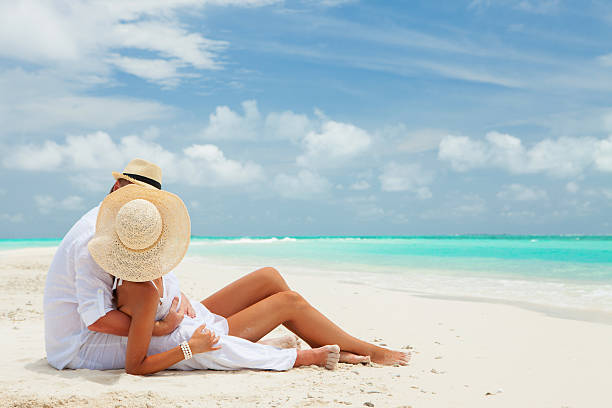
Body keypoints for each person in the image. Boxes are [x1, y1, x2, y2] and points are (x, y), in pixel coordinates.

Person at [43, 158, 409, 372]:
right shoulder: (93, 240)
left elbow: (144, 268)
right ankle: (362, 351)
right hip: (87, 345)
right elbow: (97, 319)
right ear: (115, 189)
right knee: (288, 303)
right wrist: (163, 326)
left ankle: (322, 341)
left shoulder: (132, 223)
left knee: (269, 277)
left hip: (149, 316)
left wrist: (175, 296)